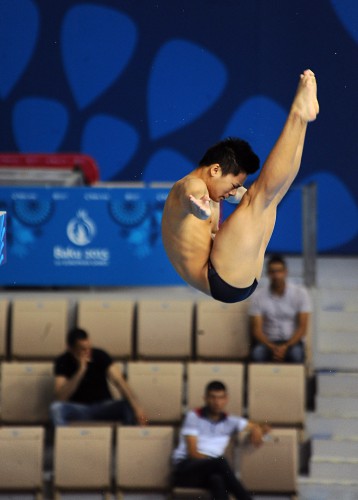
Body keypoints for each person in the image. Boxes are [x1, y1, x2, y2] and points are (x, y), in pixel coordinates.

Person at [161, 70, 319, 303]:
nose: (233, 192)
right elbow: (190, 196)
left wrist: (237, 194)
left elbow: (250, 192)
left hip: (235, 278)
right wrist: (198, 210)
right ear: (215, 170)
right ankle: (297, 115)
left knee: (271, 197)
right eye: (233, 184)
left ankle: (302, 122)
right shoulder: (191, 186)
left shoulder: (213, 189)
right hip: (218, 276)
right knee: (259, 198)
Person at [172, 380, 268, 499]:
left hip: (211, 472)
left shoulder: (230, 421)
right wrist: (215, 463)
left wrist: (257, 428)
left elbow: (263, 426)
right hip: (186, 469)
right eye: (213, 398)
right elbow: (193, 453)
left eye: (221, 398)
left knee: (217, 480)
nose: (217, 402)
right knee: (220, 462)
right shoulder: (193, 416)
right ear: (205, 398)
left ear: (226, 399)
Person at [50, 327, 147, 426]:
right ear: (71, 349)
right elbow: (60, 397)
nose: (88, 352)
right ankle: (62, 439)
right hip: (78, 408)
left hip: (103, 406)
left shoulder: (100, 355)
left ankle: (130, 438)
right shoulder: (62, 361)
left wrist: (137, 408)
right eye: (83, 349)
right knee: (56, 408)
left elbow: (119, 381)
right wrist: (80, 371)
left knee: (128, 405)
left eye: (89, 348)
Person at [249, 254, 312, 363]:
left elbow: (302, 328)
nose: (276, 275)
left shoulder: (300, 293)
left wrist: (285, 347)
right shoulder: (258, 296)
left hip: (292, 342)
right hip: (267, 343)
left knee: (296, 354)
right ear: (268, 274)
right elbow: (256, 330)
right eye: (273, 272)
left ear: (285, 272)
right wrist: (272, 347)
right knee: (257, 354)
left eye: (279, 271)